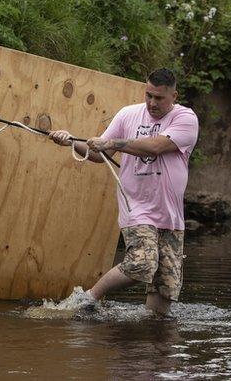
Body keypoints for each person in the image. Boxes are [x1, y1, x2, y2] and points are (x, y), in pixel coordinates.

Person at [48, 67, 199, 316]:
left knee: (163, 299)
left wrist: (111, 143)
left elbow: (155, 146)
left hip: (172, 218)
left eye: (159, 98)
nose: (152, 103)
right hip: (137, 209)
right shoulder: (128, 115)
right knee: (141, 264)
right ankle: (85, 299)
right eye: (148, 95)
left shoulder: (185, 119)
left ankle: (148, 348)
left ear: (174, 96)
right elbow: (98, 154)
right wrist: (69, 141)